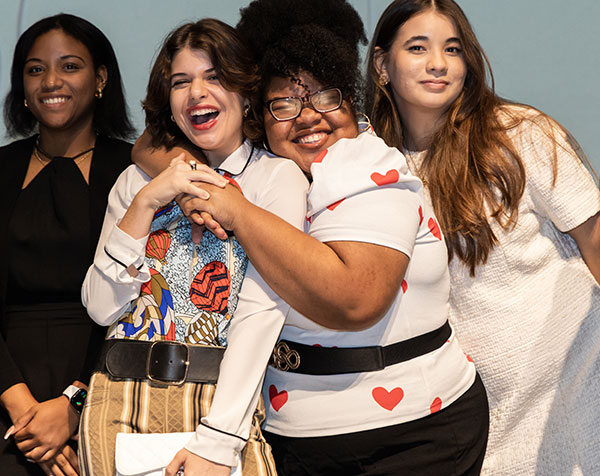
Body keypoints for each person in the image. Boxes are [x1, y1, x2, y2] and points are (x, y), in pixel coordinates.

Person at [136, 1, 489, 475]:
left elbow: (355, 301)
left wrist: (234, 208)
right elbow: (149, 145)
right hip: (290, 433)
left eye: (327, 97)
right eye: (284, 103)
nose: (308, 117)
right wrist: (197, 186)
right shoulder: (257, 168)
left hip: (413, 431)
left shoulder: (368, 165)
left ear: (351, 102)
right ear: (259, 115)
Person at [366, 0, 600, 474]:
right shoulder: (373, 167)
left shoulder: (522, 134)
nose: (438, 63)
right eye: (418, 47)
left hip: (573, 393)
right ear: (381, 65)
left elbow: (596, 243)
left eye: (452, 49)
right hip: (470, 413)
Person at [80, 18, 308, 476]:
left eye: (215, 77)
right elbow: (100, 307)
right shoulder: (136, 180)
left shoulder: (275, 179)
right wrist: (146, 202)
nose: (196, 93)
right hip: (116, 402)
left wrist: (220, 440)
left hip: (218, 405)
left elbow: (261, 314)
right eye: (181, 82)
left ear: (246, 92)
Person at [0, 13, 133, 476]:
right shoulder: (0, 168)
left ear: (99, 79)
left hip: (106, 387)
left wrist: (74, 404)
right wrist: (23, 412)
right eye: (35, 69)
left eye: (69, 66)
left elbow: (146, 304)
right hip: (6, 395)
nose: (51, 81)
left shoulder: (133, 171)